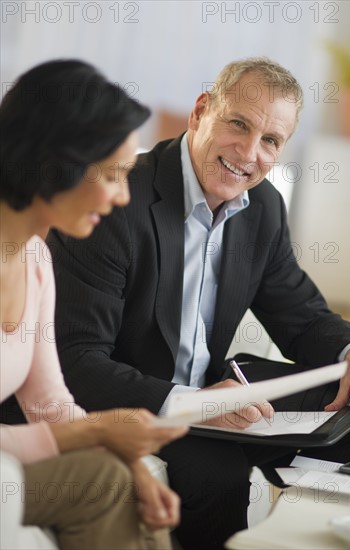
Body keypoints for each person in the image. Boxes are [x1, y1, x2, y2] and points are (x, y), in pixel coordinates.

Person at [44, 58, 350, 548]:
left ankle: (303, 527)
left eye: (270, 140)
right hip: (149, 399)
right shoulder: (117, 200)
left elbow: (301, 313)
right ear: (201, 111)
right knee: (216, 473)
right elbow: (77, 360)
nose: (249, 153)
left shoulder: (263, 206)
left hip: (219, 388)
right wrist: (196, 406)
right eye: (238, 124)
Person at [0, 59, 188, 550]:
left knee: (132, 483)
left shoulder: (37, 260)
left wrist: (132, 461)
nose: (124, 197)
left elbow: (48, 402)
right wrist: (93, 435)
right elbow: (62, 429)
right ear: (59, 163)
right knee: (103, 480)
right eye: (115, 175)